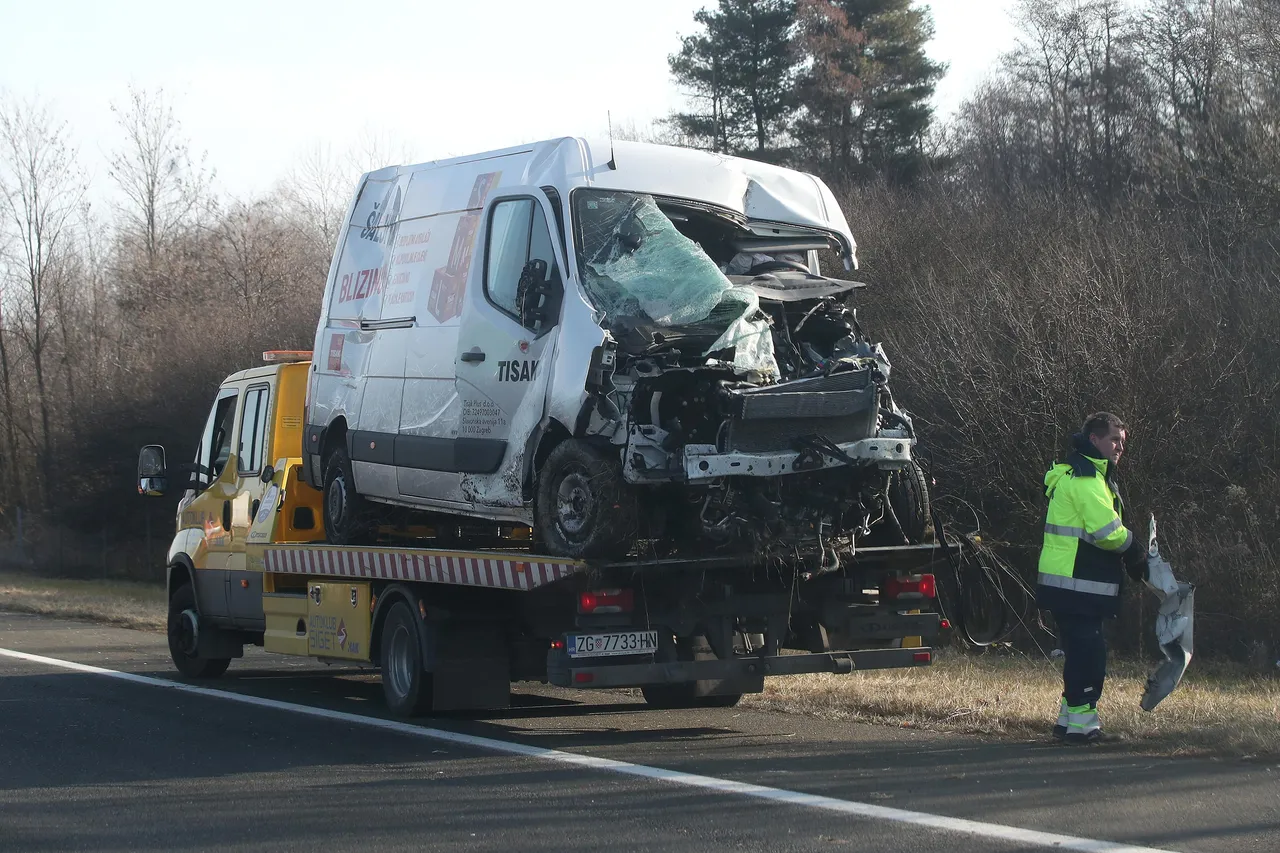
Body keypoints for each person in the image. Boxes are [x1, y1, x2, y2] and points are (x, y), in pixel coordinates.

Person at [1036, 412, 1148, 744]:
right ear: (1094, 440)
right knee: (1090, 655)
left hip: (1066, 584)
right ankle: (1084, 728)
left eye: (1123, 442)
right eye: (1114, 440)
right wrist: (1135, 551)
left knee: (1079, 652)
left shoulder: (1078, 473)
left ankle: (1068, 723)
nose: (1119, 447)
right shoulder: (1086, 479)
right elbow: (1107, 532)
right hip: (1077, 584)